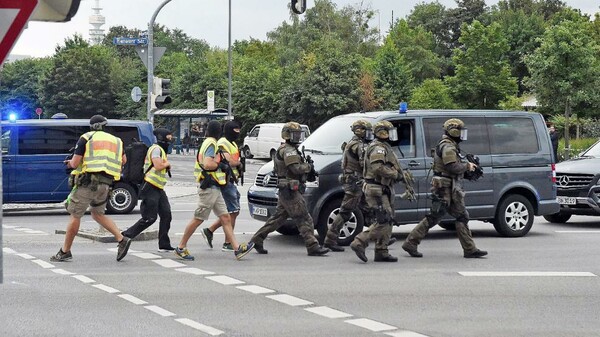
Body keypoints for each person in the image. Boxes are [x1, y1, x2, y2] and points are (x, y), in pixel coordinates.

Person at [401, 118, 488, 259]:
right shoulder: (448, 146)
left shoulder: (450, 145)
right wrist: (467, 166)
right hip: (445, 188)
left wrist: (467, 171)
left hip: (449, 187)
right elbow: (451, 166)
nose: (462, 135)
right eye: (460, 131)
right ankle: (411, 243)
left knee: (459, 216)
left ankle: (470, 249)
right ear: (454, 131)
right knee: (438, 216)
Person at [51, 115, 131, 262]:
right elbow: (124, 160)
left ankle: (65, 251)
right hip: (106, 184)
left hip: (88, 184)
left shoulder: (86, 137)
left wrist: (68, 163)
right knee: (97, 214)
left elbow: (75, 164)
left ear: (93, 126)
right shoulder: (117, 141)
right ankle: (121, 239)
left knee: (75, 215)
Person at [174, 120, 254, 261]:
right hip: (209, 186)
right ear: (218, 131)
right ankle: (181, 247)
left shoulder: (209, 142)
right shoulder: (211, 143)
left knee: (225, 217)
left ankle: (237, 249)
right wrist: (220, 164)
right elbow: (208, 164)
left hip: (215, 186)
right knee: (198, 218)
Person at [249, 122, 329, 256]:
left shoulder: (290, 149)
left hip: (287, 189)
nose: (297, 137)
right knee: (304, 217)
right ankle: (312, 245)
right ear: (287, 135)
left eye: (299, 134)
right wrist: (308, 167)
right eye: (295, 134)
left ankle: (257, 239)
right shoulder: (288, 150)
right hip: (290, 190)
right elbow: (295, 169)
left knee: (277, 219)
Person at [350, 121, 411, 263]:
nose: (392, 135)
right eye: (389, 131)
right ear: (382, 132)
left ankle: (381, 251)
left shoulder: (382, 147)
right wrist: (395, 174)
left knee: (388, 218)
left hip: (383, 188)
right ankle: (359, 242)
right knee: (384, 219)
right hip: (377, 189)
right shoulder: (378, 148)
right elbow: (378, 168)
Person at [323, 120, 373, 252]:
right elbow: (365, 164)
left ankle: (381, 237)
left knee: (369, 208)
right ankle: (330, 240)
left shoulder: (351, 143)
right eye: (367, 131)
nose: (369, 134)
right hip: (355, 183)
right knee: (345, 212)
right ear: (360, 131)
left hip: (354, 181)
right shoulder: (358, 145)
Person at [122, 128, 174, 252]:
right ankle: (126, 235)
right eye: (168, 137)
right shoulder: (156, 149)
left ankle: (164, 244)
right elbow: (158, 165)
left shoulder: (161, 150)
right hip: (150, 186)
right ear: (162, 137)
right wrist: (167, 164)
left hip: (158, 187)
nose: (170, 139)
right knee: (149, 218)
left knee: (166, 215)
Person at [201, 120, 243, 252]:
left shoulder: (232, 143)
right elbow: (229, 161)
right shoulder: (222, 143)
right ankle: (228, 243)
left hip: (230, 180)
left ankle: (210, 231)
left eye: (238, 130)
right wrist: (238, 162)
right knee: (232, 211)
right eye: (235, 130)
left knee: (231, 212)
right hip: (224, 181)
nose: (237, 133)